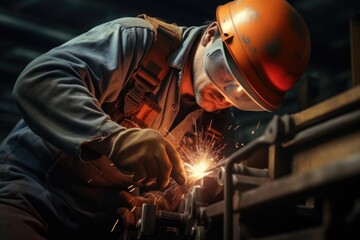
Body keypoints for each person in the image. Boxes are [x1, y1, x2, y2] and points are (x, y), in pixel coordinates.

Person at [0, 0, 311, 239]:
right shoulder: (138, 43)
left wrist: (156, 203)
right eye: (226, 75)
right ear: (211, 36)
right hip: (29, 194)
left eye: (244, 97)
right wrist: (113, 138)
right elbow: (38, 81)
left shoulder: (216, 130)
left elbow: (192, 192)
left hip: (95, 227)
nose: (227, 96)